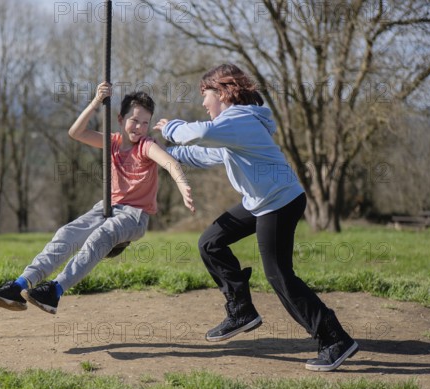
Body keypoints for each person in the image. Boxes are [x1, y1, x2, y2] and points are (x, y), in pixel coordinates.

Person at [153, 64, 358, 372]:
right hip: (260, 201)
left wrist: (170, 128)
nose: (203, 104)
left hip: (280, 202)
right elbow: (208, 154)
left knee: (279, 275)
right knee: (211, 242)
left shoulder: (239, 119)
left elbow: (199, 134)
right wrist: (166, 153)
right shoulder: (233, 126)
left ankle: (335, 339)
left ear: (221, 92)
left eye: (204, 95)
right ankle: (241, 311)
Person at [0, 82, 195, 315]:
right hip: (106, 207)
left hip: (135, 215)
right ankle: (20, 285)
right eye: (134, 120)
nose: (140, 127)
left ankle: (55, 290)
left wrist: (182, 183)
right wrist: (96, 102)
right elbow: (76, 133)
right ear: (120, 118)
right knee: (65, 234)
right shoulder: (113, 141)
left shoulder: (146, 145)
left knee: (100, 236)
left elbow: (169, 162)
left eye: (145, 123)